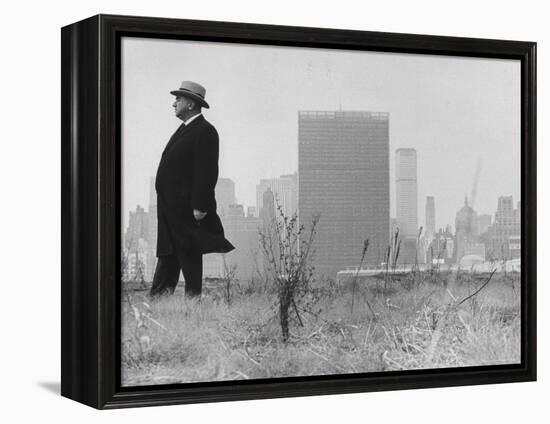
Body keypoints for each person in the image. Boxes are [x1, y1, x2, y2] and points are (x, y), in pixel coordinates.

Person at [150, 81, 234, 298]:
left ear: (191, 104)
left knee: (188, 254)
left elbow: (206, 172)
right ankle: (159, 298)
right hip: (170, 210)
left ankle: (192, 300)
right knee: (169, 254)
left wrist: (199, 205)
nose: (174, 103)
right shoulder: (183, 130)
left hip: (186, 210)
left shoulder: (205, 131)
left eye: (178, 98)